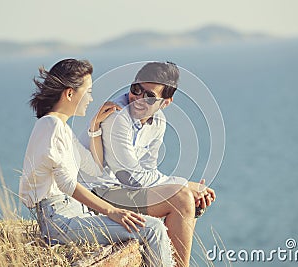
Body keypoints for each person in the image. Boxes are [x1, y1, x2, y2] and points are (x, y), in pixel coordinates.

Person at [19, 59, 174, 267]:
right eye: (88, 92)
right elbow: (67, 185)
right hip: (58, 220)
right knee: (152, 228)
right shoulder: (51, 125)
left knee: (148, 226)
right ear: (70, 93)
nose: (91, 99)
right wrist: (112, 211)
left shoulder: (62, 129)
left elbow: (95, 167)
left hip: (73, 210)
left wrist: (95, 126)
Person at [80, 61, 216, 267]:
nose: (138, 99)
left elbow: (147, 170)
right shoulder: (116, 116)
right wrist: (185, 185)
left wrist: (188, 189)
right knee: (181, 197)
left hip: (121, 192)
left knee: (188, 199)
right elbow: (131, 178)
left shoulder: (158, 121)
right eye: (136, 89)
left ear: (165, 102)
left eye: (150, 96)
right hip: (96, 195)